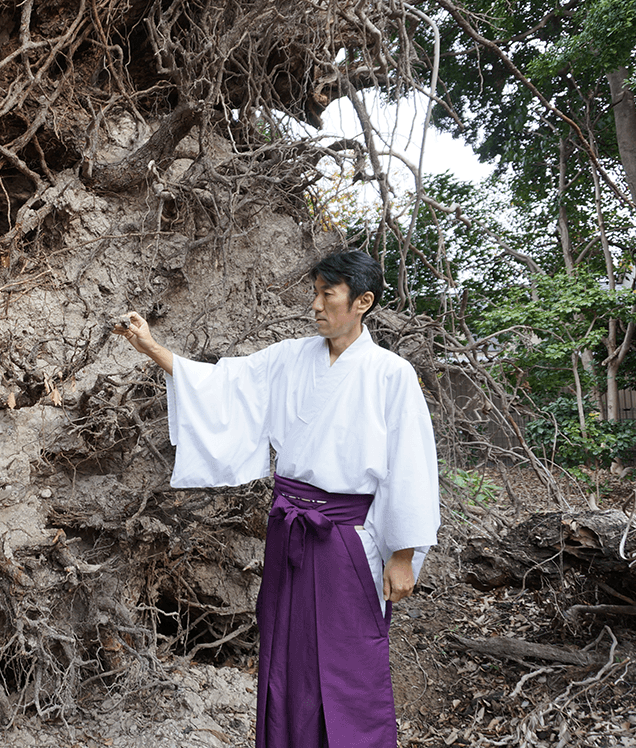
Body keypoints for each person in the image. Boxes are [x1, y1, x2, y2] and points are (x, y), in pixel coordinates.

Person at [117, 249, 440, 748]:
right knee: (287, 657)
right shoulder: (290, 358)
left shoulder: (391, 374)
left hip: (347, 541)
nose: (315, 305)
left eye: (327, 294)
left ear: (363, 301)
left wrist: (403, 554)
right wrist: (152, 348)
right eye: (314, 293)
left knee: (351, 662)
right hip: (289, 533)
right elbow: (224, 385)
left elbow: (411, 463)